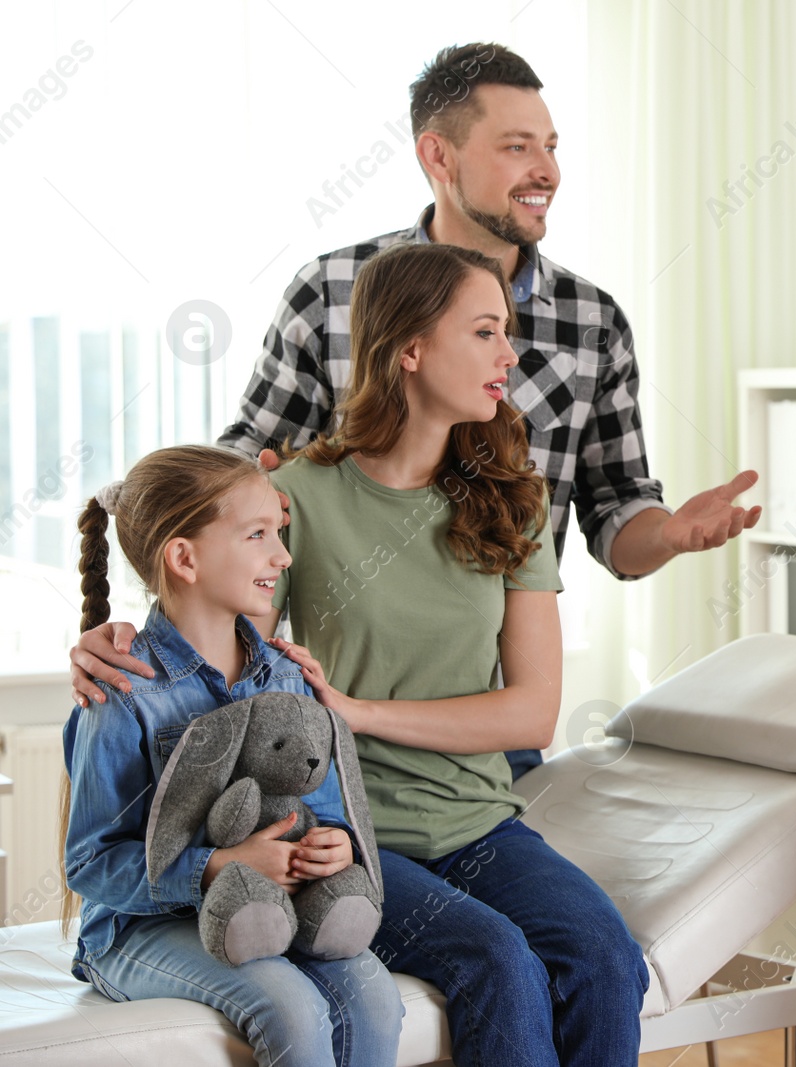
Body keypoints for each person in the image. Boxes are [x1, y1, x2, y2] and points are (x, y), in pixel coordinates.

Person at [68, 42, 759, 779]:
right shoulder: (331, 292)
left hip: (484, 719)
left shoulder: (593, 322)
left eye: (552, 147)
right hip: (328, 723)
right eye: (517, 146)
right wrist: (139, 637)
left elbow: (618, 518)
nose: (548, 171)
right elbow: (234, 481)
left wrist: (671, 533)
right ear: (440, 154)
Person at [248, 241, 646, 1066]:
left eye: (508, 331)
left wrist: (357, 713)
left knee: (607, 956)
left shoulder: (514, 501)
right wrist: (109, 645)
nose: (511, 355)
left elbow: (531, 709)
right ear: (410, 350)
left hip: (478, 826)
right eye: (486, 332)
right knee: (497, 959)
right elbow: (202, 643)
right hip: (348, 833)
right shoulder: (296, 497)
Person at [62, 445, 404, 1067]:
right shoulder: (122, 692)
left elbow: (322, 811)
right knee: (293, 1010)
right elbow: (89, 864)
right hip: (136, 929)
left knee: (375, 996)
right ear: (184, 558)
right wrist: (215, 865)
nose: (284, 555)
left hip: (269, 908)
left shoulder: (286, 676)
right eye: (257, 535)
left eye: (279, 532)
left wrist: (333, 846)